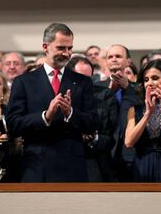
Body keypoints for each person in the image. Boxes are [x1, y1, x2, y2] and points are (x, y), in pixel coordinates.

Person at [6, 22, 98, 182]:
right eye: (61, 48)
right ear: (45, 46)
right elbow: (13, 124)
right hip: (36, 167)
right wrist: (45, 116)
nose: (67, 53)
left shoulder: (82, 82)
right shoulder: (24, 82)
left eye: (70, 48)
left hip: (72, 167)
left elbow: (93, 123)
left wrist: (70, 113)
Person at [67, 56, 117, 181]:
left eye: (89, 79)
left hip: (94, 161)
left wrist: (94, 138)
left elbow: (111, 136)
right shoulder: (58, 95)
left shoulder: (104, 95)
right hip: (64, 160)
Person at [96, 44, 138, 181]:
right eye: (110, 57)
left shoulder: (139, 89)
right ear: (106, 62)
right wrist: (109, 91)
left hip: (131, 153)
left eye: (118, 56)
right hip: (105, 152)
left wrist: (127, 87)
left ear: (128, 62)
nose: (114, 59)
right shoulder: (96, 88)